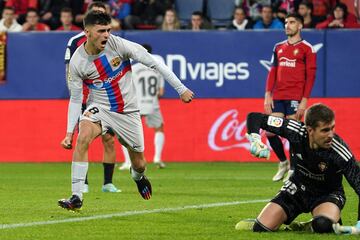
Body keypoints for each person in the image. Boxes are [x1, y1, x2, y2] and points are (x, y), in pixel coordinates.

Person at [58, 10, 194, 211]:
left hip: (128, 112)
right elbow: (76, 98)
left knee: (139, 163)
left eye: (108, 30)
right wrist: (69, 132)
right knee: (83, 137)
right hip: (100, 108)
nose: (106, 35)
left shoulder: (119, 45)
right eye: (101, 31)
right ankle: (76, 196)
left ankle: (137, 176)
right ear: (87, 32)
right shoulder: (77, 62)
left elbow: (156, 64)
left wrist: (181, 89)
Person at [236, 103, 360, 233]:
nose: (330, 135)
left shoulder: (339, 150)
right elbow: (254, 117)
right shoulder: (295, 130)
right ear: (310, 130)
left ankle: (309, 225)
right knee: (261, 228)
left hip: (327, 194)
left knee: (323, 225)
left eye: (332, 128)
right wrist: (255, 140)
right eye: (325, 130)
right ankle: (262, 221)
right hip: (297, 188)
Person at [61, 2, 121, 194]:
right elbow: (70, 70)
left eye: (102, 15)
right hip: (86, 98)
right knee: (83, 139)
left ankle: (108, 183)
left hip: (106, 98)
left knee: (109, 139)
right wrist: (75, 92)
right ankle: (83, 183)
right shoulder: (75, 42)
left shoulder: (111, 41)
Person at [264, 13, 316, 182]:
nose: (288, 25)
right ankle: (283, 162)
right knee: (270, 132)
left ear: (300, 26)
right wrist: (267, 95)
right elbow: (272, 72)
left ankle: (294, 169)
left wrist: (304, 101)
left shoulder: (307, 48)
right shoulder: (278, 47)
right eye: (286, 22)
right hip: (278, 96)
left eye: (292, 22)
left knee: (293, 134)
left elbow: (310, 76)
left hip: (295, 97)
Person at [119, 44, 166, 170]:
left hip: (136, 104)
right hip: (152, 104)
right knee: (159, 128)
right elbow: (160, 92)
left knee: (126, 132)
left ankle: (128, 162)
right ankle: (157, 157)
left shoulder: (134, 69)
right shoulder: (157, 68)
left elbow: (127, 88)